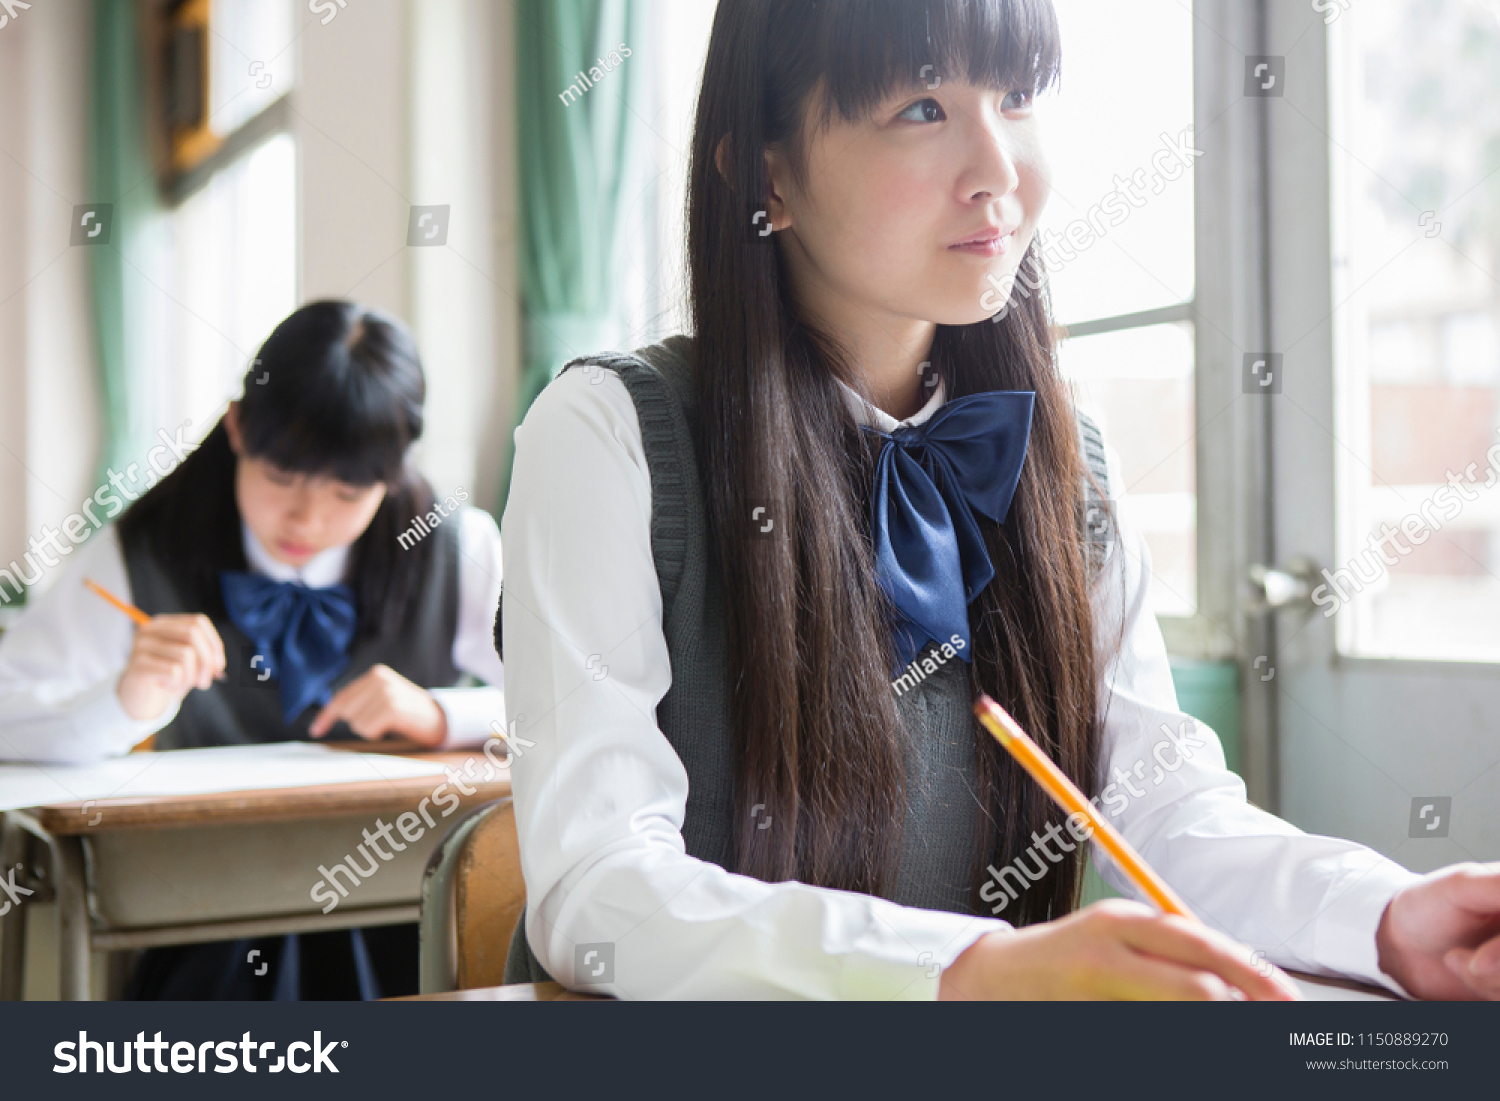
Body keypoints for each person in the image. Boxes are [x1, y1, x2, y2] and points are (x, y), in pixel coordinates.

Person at [497, 0, 1500, 1000]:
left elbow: (1165, 809)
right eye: (923, 108)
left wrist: (1384, 919)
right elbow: (598, 887)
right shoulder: (607, 435)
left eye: (1017, 97)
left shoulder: (1064, 454)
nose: (1000, 171)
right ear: (768, 176)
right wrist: (965, 970)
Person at [0, 299, 505, 999]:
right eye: (282, 478)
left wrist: (444, 716)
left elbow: (574, 702)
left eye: (346, 491)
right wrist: (117, 702)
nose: (307, 517)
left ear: (393, 471)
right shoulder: (143, 546)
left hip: (412, 907)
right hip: (209, 919)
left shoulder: (457, 546)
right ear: (237, 426)